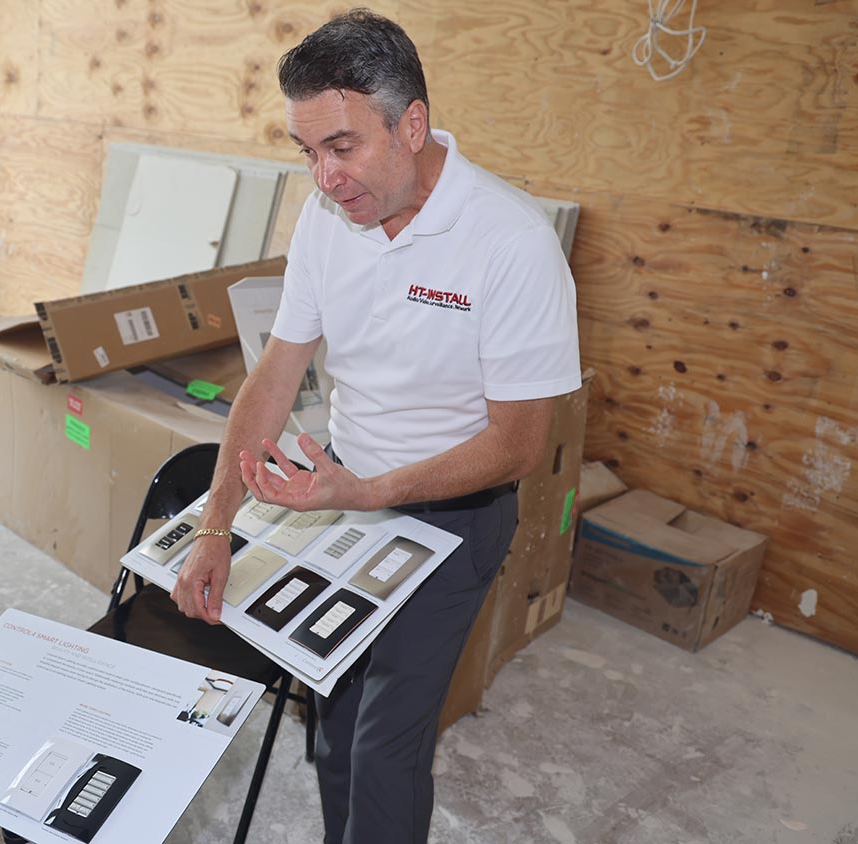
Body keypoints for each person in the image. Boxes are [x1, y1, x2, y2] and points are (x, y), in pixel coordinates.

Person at [173, 9, 581, 844]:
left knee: (387, 746)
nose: (325, 176)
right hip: (346, 497)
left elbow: (519, 446)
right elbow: (275, 375)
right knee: (333, 722)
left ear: (413, 125)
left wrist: (365, 491)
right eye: (309, 151)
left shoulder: (511, 242)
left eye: (344, 147)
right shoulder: (329, 222)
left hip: (453, 517)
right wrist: (216, 526)